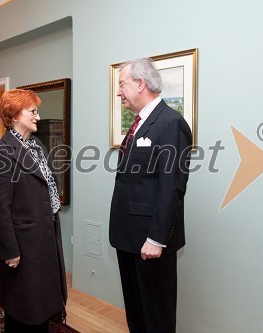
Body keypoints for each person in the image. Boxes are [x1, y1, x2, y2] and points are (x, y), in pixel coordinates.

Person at [109, 58, 191, 333]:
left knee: (157, 316)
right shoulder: (140, 123)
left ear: (140, 84)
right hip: (129, 237)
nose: (119, 92)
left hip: (150, 241)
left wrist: (156, 239)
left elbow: (172, 186)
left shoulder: (170, 123)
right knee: (137, 312)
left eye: (122, 84)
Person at [0, 89, 67, 333]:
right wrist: (9, 249)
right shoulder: (1, 152)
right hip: (23, 245)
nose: (38, 117)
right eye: (32, 111)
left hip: (45, 237)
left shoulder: (37, 145)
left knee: (41, 303)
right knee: (24, 307)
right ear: (13, 115)